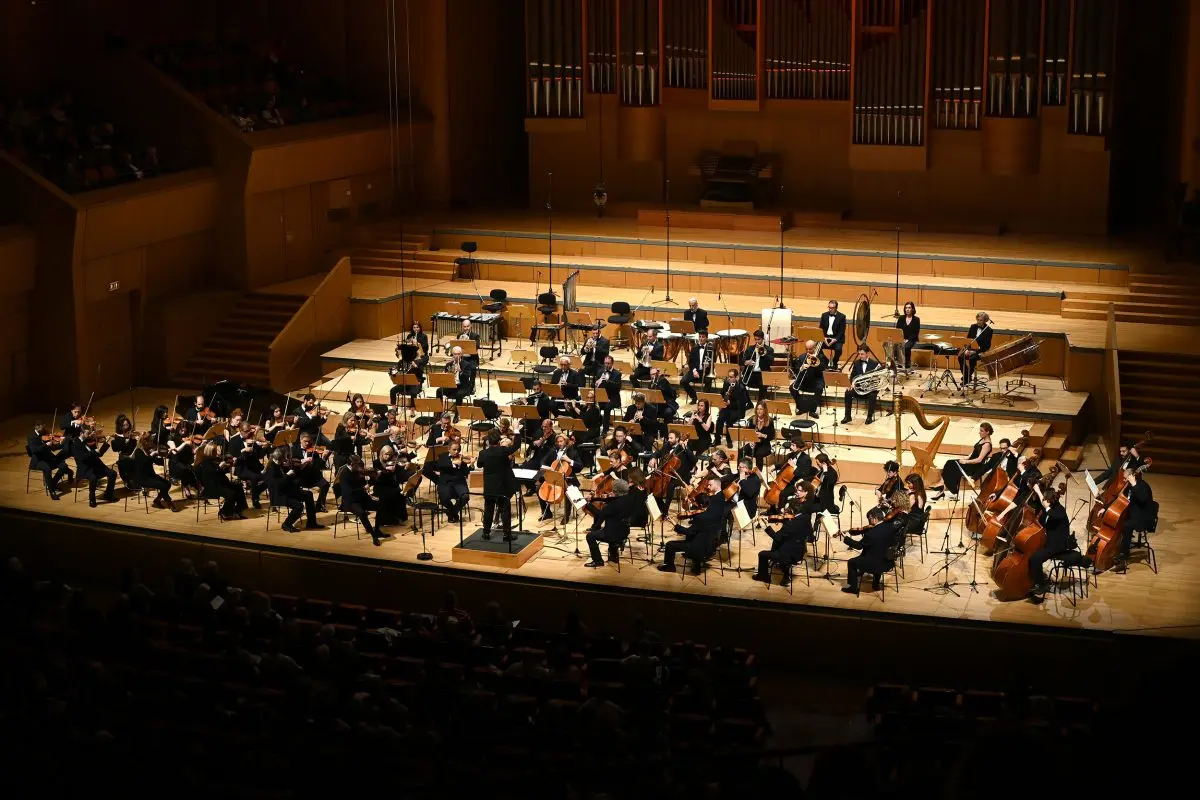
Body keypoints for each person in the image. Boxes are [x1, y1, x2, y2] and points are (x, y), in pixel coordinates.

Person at [658, 476, 729, 575]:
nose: (708, 487)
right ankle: (696, 566)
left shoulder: (705, 513)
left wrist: (675, 524)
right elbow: (707, 508)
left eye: (710, 485)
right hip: (710, 540)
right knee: (697, 533)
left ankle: (670, 566)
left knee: (670, 545)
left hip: (700, 546)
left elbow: (689, 531)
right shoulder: (720, 497)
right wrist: (694, 506)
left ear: (717, 485)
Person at [752, 481, 816, 586]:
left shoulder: (790, 524)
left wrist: (767, 528)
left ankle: (763, 576)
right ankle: (786, 576)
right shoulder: (805, 518)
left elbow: (777, 537)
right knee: (783, 540)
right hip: (799, 549)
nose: (785, 512)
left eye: (787, 510)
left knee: (763, 554)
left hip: (789, 554)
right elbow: (807, 533)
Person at [1028, 487, 1075, 598]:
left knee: (1035, 558)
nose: (1044, 501)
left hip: (1058, 545)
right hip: (1049, 542)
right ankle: (1037, 579)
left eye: (1045, 500)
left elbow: (1054, 515)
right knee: (1032, 556)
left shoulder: (1060, 510)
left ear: (1049, 501)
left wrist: (1047, 508)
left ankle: (1041, 585)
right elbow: (1042, 521)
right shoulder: (1049, 510)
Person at [841, 508, 900, 595]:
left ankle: (853, 588)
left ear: (875, 519)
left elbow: (858, 546)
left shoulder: (871, 534)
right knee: (878, 552)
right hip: (888, 562)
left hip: (875, 565)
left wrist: (845, 538)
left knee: (851, 562)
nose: (869, 521)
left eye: (870, 519)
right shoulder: (891, 527)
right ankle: (876, 584)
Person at [264, 446, 323, 532]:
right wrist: (287, 475)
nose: (286, 460)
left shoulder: (280, 465)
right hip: (278, 496)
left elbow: (288, 480)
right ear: (280, 458)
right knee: (299, 506)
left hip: (287, 491)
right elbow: (277, 485)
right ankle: (286, 524)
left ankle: (311, 522)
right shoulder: (271, 468)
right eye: (284, 458)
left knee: (308, 494)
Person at [931, 422, 994, 501]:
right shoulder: (982, 440)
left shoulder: (987, 444)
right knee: (950, 462)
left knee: (952, 465)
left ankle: (946, 488)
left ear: (987, 432)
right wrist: (964, 458)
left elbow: (979, 460)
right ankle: (945, 487)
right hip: (970, 462)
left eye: (981, 431)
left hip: (974, 467)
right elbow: (973, 453)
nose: (979, 432)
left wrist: (966, 462)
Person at [478, 429, 520, 541]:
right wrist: (516, 430)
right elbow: (517, 445)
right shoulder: (503, 451)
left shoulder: (483, 453)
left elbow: (479, 464)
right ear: (498, 440)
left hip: (489, 487)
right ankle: (507, 535)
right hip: (502, 486)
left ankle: (486, 533)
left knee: (488, 510)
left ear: (488, 441)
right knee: (505, 510)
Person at [584, 478, 636, 567]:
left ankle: (598, 561)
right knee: (613, 526)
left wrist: (589, 505)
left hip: (613, 534)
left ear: (615, 490)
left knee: (590, 536)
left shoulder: (613, 505)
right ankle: (613, 556)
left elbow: (600, 514)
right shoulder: (629, 500)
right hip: (624, 532)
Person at [196, 441, 246, 520]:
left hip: (221, 483)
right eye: (215, 451)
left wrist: (227, 467)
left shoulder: (214, 460)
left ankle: (238, 509)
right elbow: (213, 475)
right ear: (210, 451)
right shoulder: (206, 462)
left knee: (238, 486)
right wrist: (220, 467)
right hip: (213, 486)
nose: (217, 453)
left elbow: (220, 473)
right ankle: (225, 512)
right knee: (231, 493)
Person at [1117, 467, 1154, 572]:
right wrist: (1106, 508)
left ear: (1132, 476)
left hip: (1144, 518)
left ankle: (1124, 553)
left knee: (1127, 525)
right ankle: (1121, 547)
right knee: (1122, 522)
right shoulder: (1129, 486)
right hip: (1134, 515)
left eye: (1126, 478)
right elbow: (1119, 499)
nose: (1124, 480)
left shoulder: (1142, 485)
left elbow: (1142, 498)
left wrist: (1134, 484)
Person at [339, 456, 382, 545]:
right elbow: (349, 491)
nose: (360, 468)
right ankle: (373, 535)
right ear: (352, 464)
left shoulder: (357, 471)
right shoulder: (344, 474)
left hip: (362, 497)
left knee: (380, 506)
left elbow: (369, 481)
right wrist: (363, 489)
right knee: (362, 513)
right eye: (357, 465)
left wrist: (373, 479)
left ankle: (377, 529)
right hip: (350, 501)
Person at [26, 422, 73, 499]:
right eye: (42, 429)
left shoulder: (45, 434)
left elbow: (53, 448)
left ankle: (53, 484)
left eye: (43, 428)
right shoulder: (31, 437)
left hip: (48, 458)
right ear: (36, 428)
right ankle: (52, 492)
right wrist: (45, 445)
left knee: (63, 466)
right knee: (47, 469)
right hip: (38, 461)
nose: (44, 431)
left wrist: (62, 443)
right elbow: (34, 451)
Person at [432, 439, 472, 523]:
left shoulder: (461, 458)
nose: (457, 451)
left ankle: (451, 513)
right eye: (454, 449)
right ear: (449, 449)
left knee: (465, 496)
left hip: (459, 481)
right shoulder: (442, 456)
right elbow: (440, 466)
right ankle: (454, 514)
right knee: (444, 498)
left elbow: (466, 473)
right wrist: (453, 463)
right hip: (446, 482)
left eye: (458, 449)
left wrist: (470, 465)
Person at [289, 432, 330, 511]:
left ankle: (319, 506)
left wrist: (324, 458)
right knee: (293, 483)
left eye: (309, 441)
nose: (307, 443)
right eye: (305, 441)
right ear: (300, 440)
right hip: (299, 476)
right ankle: (297, 505)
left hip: (312, 476)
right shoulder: (294, 449)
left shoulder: (313, 451)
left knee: (325, 485)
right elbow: (292, 463)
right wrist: (303, 461)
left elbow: (319, 466)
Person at [842, 344, 882, 425]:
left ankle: (869, 417)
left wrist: (870, 385)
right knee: (848, 392)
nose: (860, 356)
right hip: (859, 388)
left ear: (868, 353)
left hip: (870, 389)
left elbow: (877, 379)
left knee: (872, 395)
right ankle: (847, 416)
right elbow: (852, 376)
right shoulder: (856, 363)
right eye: (859, 354)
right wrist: (851, 384)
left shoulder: (874, 364)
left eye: (862, 354)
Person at [74, 432, 117, 507]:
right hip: (85, 468)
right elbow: (84, 457)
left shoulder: (91, 443)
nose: (90, 435)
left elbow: (99, 454)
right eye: (87, 433)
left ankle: (108, 494)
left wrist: (106, 443)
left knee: (113, 473)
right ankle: (92, 499)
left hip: (96, 466)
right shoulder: (77, 445)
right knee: (93, 478)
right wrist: (94, 451)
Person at [789, 339, 827, 417]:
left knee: (819, 388)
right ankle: (800, 407)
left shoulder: (821, 357)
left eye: (810, 349)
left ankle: (812, 410)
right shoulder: (802, 357)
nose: (808, 351)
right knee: (792, 388)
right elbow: (797, 371)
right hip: (805, 379)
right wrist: (801, 368)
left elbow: (822, 371)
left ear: (815, 348)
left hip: (816, 379)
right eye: (807, 349)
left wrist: (815, 364)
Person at [716, 366, 752, 448]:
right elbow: (722, 394)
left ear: (736, 377)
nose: (729, 379)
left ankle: (729, 440)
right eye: (728, 377)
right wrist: (722, 400)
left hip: (737, 410)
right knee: (720, 419)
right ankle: (717, 440)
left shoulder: (741, 388)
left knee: (729, 419)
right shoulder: (726, 384)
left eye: (731, 377)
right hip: (726, 408)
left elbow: (742, 404)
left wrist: (730, 403)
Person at [958, 312, 994, 388]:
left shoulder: (988, 330)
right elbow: (968, 340)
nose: (978, 322)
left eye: (980, 320)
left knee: (972, 358)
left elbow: (987, 347)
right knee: (960, 356)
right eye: (978, 320)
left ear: (985, 321)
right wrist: (967, 350)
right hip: (971, 349)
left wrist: (974, 352)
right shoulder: (973, 327)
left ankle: (966, 378)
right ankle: (966, 375)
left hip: (981, 351)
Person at [437, 346, 477, 415]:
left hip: (462, 386)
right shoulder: (448, 364)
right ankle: (438, 413)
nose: (457, 356)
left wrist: (460, 371)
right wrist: (445, 375)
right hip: (451, 386)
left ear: (461, 354)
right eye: (455, 354)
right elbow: (446, 379)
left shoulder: (467, 365)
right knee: (439, 391)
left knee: (459, 394)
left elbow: (466, 378)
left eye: (458, 354)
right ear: (452, 354)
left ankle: (456, 415)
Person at [680, 329, 716, 403]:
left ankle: (704, 401)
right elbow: (690, 362)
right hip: (695, 371)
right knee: (683, 381)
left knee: (708, 381)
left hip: (706, 371)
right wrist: (694, 371)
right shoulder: (694, 348)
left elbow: (713, 361)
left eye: (703, 337)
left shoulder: (711, 348)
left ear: (706, 338)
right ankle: (694, 396)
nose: (701, 338)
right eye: (700, 337)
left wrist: (709, 365)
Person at [739, 329, 775, 403]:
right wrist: (746, 362)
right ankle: (747, 403)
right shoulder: (750, 349)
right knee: (740, 384)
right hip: (751, 373)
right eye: (755, 339)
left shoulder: (769, 349)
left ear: (763, 339)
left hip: (762, 374)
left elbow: (771, 362)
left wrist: (764, 354)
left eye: (759, 339)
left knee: (763, 385)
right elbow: (742, 360)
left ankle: (760, 404)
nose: (757, 341)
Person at [741, 400, 775, 469]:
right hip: (754, 443)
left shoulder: (770, 421)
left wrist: (762, 435)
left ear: (765, 410)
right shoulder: (752, 420)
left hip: (764, 444)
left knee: (759, 454)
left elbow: (771, 436)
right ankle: (742, 471)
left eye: (761, 409)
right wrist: (750, 441)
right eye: (757, 409)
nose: (759, 411)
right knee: (742, 451)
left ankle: (758, 474)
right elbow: (748, 433)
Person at [596, 355, 623, 432]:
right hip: (602, 397)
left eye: (608, 363)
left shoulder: (617, 374)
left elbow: (617, 387)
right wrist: (596, 383)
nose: (606, 365)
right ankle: (596, 428)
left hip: (613, 398)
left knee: (607, 407)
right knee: (595, 406)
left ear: (612, 363)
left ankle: (605, 430)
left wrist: (607, 381)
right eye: (605, 363)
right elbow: (594, 385)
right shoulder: (600, 372)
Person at [818, 299, 847, 369]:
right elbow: (821, 328)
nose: (830, 309)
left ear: (836, 308)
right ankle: (825, 361)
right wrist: (824, 338)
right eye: (829, 307)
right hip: (825, 338)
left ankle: (834, 362)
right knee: (816, 347)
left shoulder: (842, 317)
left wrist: (835, 339)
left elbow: (841, 331)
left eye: (832, 308)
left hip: (836, 339)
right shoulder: (824, 315)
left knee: (839, 349)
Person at [894, 301, 920, 370]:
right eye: (906, 308)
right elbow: (897, 330)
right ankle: (899, 362)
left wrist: (907, 340)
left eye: (909, 308)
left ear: (913, 309)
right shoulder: (901, 318)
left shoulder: (916, 319)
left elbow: (916, 333)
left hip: (912, 339)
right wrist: (902, 339)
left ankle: (907, 363)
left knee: (906, 346)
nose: (907, 309)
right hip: (901, 338)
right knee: (895, 345)